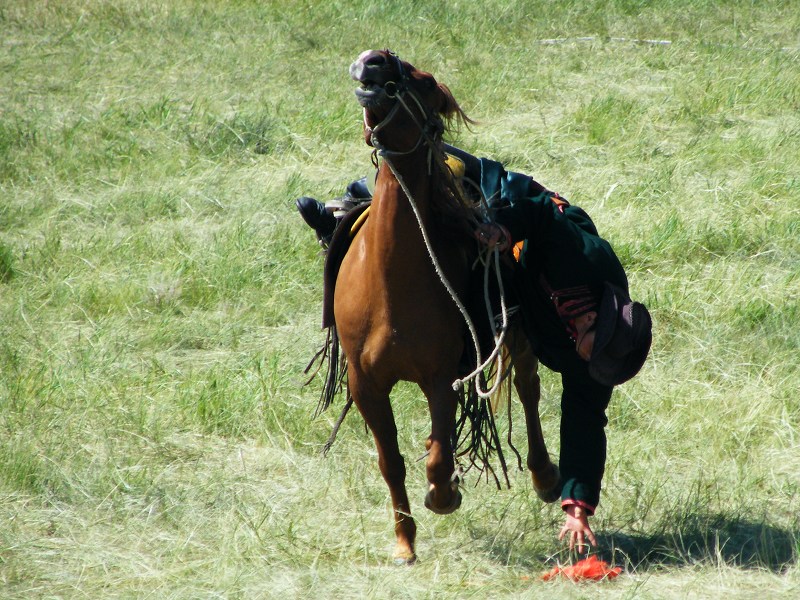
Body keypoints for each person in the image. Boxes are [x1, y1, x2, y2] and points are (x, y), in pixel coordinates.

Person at [296, 147, 652, 553]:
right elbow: (539, 215)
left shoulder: (593, 355)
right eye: (592, 353)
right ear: (593, 322)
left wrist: (578, 507)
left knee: (480, 313)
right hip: (528, 226)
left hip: (526, 291)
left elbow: (585, 421)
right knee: (470, 183)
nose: (588, 362)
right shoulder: (584, 257)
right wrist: (504, 228)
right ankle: (347, 210)